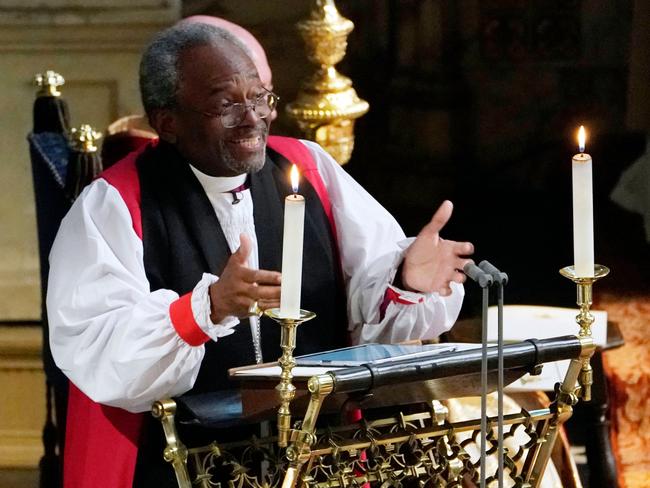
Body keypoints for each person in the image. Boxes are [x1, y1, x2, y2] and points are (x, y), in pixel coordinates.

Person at [47, 22, 474, 487]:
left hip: (316, 458)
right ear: (166, 121)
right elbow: (96, 347)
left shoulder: (307, 168)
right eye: (225, 104)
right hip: (180, 465)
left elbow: (365, 309)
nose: (253, 118)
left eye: (259, 97)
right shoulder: (114, 203)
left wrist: (408, 281)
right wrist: (204, 309)